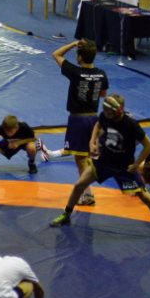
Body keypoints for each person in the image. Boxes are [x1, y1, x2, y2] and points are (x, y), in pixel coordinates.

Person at [50, 94, 150, 244]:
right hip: (104, 161)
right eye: (106, 111)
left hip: (124, 167)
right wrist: (92, 142)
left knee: (145, 196)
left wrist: (137, 164)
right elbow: (98, 125)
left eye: (110, 111)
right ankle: (66, 214)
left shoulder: (130, 124)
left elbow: (149, 145)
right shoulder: (105, 116)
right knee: (79, 185)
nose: (107, 114)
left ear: (119, 110)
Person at [52, 37, 107, 200]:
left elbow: (56, 54)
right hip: (94, 119)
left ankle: (88, 194)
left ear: (80, 57)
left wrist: (73, 44)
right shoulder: (101, 74)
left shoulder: (75, 72)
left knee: (81, 159)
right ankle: (88, 191)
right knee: (86, 157)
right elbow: (103, 94)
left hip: (78, 120)